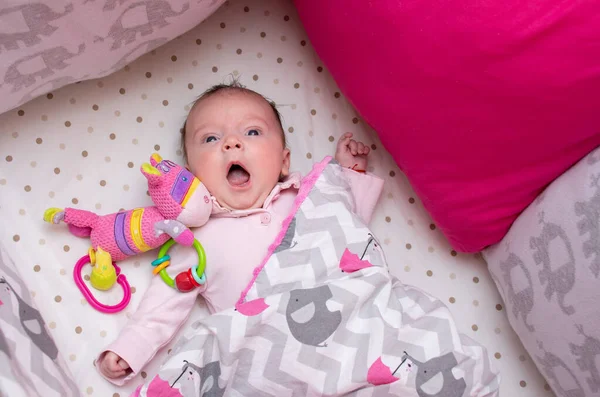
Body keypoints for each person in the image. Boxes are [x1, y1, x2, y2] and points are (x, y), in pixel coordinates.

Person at [96, 81, 384, 384]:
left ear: (284, 162)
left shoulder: (307, 198)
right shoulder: (196, 241)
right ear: (191, 176)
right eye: (210, 138)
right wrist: (129, 349)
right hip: (275, 360)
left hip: (352, 331)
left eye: (252, 132)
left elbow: (349, 232)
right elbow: (163, 305)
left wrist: (348, 176)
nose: (231, 143)